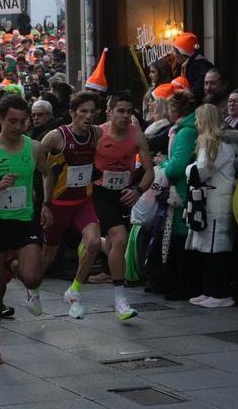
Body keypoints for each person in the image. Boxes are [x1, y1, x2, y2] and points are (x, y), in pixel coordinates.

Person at [0, 93, 52, 363]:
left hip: (24, 220)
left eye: (22, 121)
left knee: (33, 278)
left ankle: (15, 266)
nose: (18, 127)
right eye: (12, 121)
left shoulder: (35, 147)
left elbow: (47, 173)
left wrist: (47, 204)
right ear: (0, 119)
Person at [37, 92, 104, 319]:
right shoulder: (57, 137)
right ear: (72, 113)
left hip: (83, 201)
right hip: (58, 204)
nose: (88, 116)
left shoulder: (96, 133)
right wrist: (44, 195)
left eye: (92, 111)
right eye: (82, 111)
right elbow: (36, 156)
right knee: (48, 256)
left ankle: (74, 290)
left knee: (94, 242)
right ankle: (33, 289)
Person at [90, 92, 153, 318]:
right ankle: (121, 300)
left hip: (125, 194)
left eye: (129, 111)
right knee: (121, 238)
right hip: (100, 192)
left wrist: (138, 191)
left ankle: (93, 244)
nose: (126, 116)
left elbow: (149, 172)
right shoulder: (98, 133)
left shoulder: (137, 136)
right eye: (121, 111)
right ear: (110, 112)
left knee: (118, 242)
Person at [186, 104, 238, 308]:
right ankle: (210, 291)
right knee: (209, 250)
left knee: (215, 250)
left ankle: (220, 293)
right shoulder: (216, 144)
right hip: (211, 201)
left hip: (216, 202)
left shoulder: (216, 145)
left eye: (198, 118)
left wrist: (188, 168)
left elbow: (199, 171)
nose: (195, 123)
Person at [149, 90, 197, 299]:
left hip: (182, 191)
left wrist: (164, 164)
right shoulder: (181, 129)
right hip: (179, 191)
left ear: (175, 108)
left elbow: (177, 166)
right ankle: (174, 282)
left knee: (180, 238)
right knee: (173, 237)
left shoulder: (186, 132)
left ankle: (184, 285)